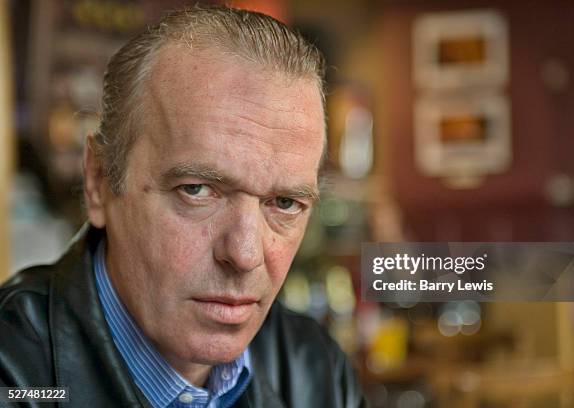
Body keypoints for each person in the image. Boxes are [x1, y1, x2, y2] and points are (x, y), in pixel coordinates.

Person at [0, 5, 366, 408]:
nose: (245, 255)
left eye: (284, 202)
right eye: (196, 189)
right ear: (99, 182)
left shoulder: (315, 369)